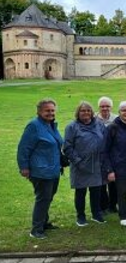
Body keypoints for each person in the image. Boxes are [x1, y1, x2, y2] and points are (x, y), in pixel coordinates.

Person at [17, 99, 62, 239]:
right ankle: (36, 230)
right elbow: (24, 148)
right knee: (43, 198)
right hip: (40, 171)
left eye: (52, 110)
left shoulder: (51, 125)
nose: (50, 113)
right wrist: (24, 167)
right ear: (39, 111)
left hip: (53, 169)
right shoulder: (34, 126)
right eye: (47, 110)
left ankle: (44, 222)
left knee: (48, 197)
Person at [64, 101, 107, 226]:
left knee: (96, 191)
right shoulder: (72, 127)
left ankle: (96, 214)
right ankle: (81, 216)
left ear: (92, 113)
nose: (86, 113)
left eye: (88, 110)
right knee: (81, 192)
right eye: (83, 110)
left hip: (97, 164)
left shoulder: (99, 125)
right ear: (78, 112)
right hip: (80, 165)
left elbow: (105, 141)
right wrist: (77, 161)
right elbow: (67, 147)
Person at [96, 96, 118, 215]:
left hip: (113, 153)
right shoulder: (94, 119)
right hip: (99, 154)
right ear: (99, 107)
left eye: (107, 106)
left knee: (113, 181)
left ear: (111, 107)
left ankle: (113, 205)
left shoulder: (116, 119)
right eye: (102, 106)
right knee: (101, 182)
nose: (105, 108)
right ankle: (102, 206)